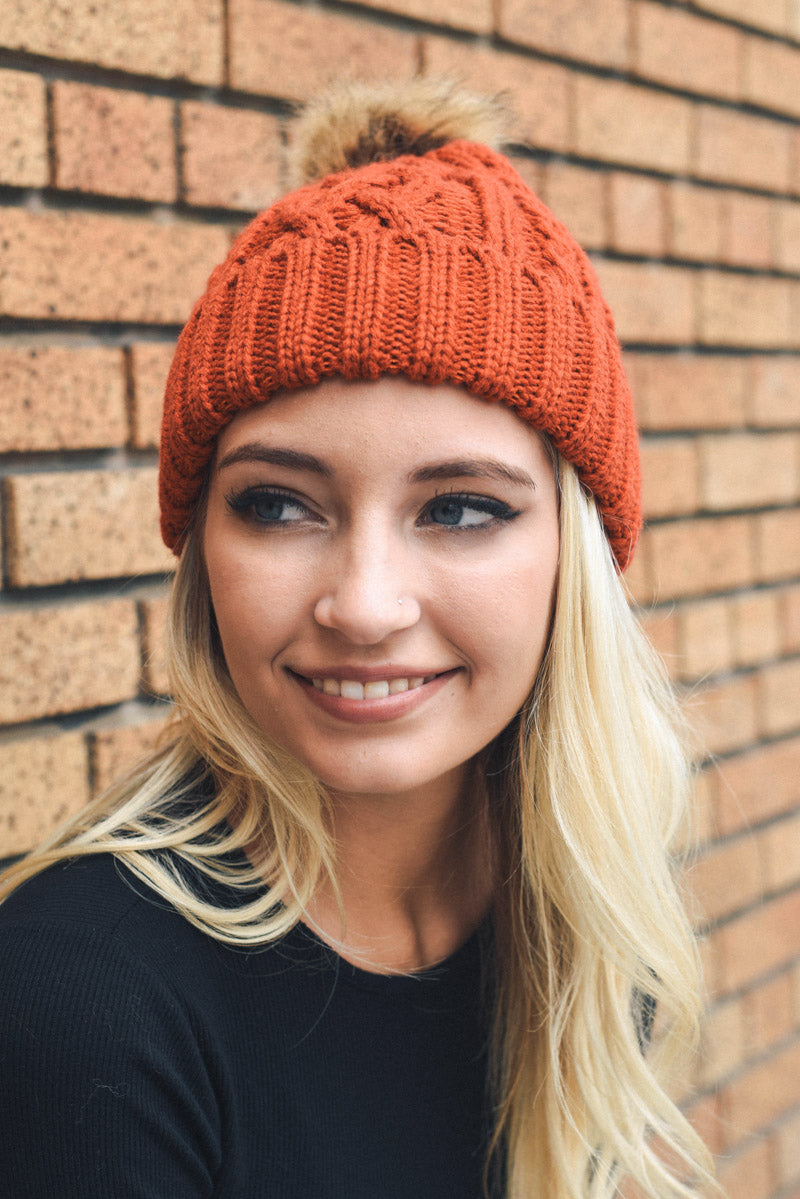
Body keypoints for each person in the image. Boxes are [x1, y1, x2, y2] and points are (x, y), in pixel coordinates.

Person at [0, 78, 716, 1198]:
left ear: (569, 567)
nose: (364, 604)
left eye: (460, 507)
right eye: (278, 504)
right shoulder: (77, 1004)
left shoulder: (577, 919)